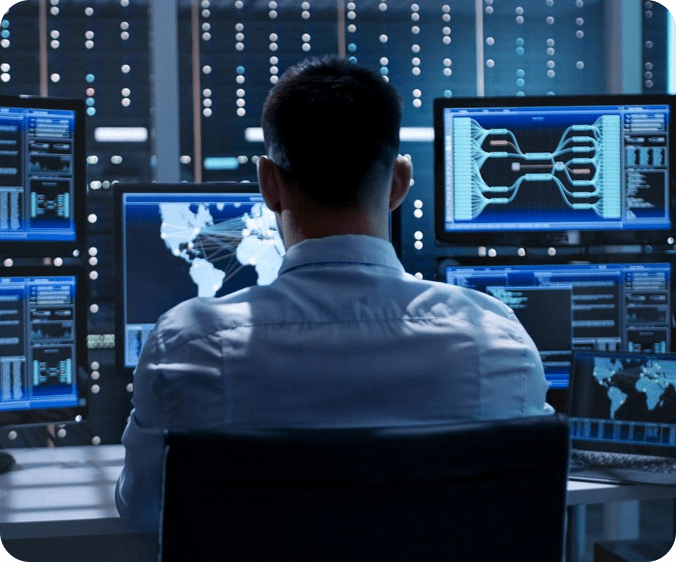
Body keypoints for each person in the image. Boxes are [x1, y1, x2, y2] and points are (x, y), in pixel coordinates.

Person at [115, 56, 553, 532]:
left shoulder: (188, 344)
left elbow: (142, 510)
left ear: (268, 183)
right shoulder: (496, 339)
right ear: (400, 183)